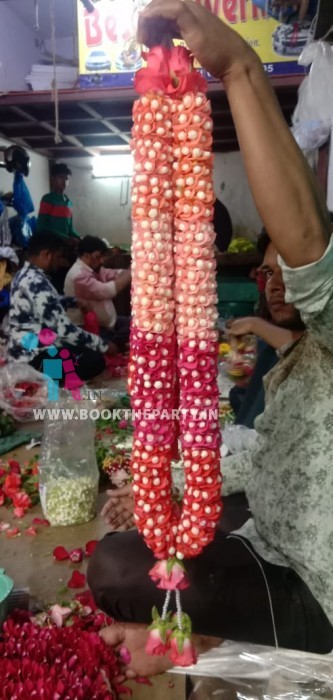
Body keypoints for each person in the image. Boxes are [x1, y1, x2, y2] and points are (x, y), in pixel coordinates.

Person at [88, 0, 333, 678]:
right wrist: (161, 479)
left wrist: (239, 67)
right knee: (131, 537)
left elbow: (311, 249)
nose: (280, 277)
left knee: (112, 565)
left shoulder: (323, 318)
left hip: (314, 581)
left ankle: (195, 633)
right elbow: (263, 464)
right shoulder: (308, 354)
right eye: (269, 270)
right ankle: (180, 623)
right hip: (268, 529)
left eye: (287, 266)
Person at [7, 232, 117, 381]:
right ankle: (46, 377)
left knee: (82, 348)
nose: (59, 263)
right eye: (58, 257)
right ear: (46, 254)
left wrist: (73, 301)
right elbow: (64, 330)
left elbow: (45, 302)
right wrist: (103, 344)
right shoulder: (37, 282)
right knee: (94, 360)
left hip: (20, 349)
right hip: (35, 358)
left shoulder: (23, 274)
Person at [228, 230, 305, 427]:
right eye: (269, 273)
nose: (274, 285)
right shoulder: (269, 352)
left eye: (289, 270)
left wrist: (256, 325)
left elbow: (309, 348)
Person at [64, 236, 132, 352]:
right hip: (91, 330)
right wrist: (133, 271)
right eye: (97, 257)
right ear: (86, 255)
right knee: (99, 359)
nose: (101, 261)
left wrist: (132, 272)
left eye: (102, 257)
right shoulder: (78, 275)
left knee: (137, 324)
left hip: (108, 323)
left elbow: (113, 274)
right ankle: (109, 346)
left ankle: (114, 343)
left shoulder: (93, 268)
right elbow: (106, 291)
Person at [37, 163, 80, 241]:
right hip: (51, 246)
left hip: (65, 246)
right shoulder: (48, 199)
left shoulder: (69, 203)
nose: (64, 181)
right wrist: (66, 238)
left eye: (66, 178)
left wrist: (80, 238)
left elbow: (70, 230)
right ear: (53, 179)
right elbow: (41, 228)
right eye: (61, 177)